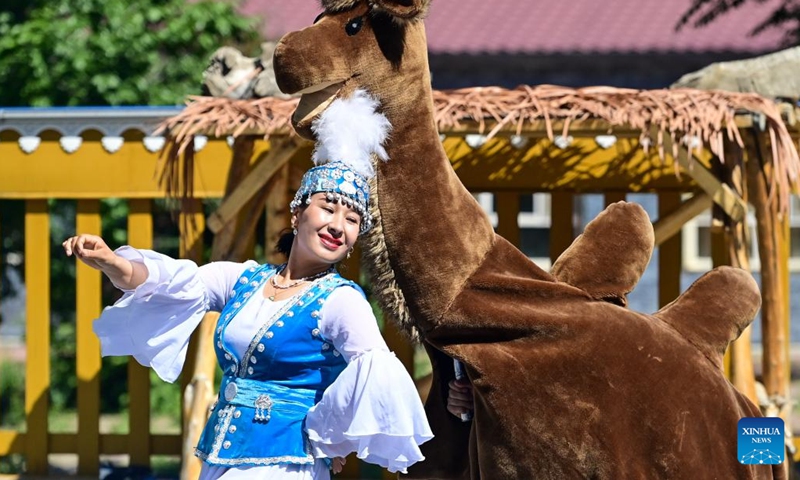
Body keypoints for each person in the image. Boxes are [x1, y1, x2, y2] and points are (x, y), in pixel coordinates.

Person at [63, 159, 433, 480]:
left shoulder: (341, 300)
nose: (338, 225)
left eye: (352, 219)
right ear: (297, 214)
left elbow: (375, 370)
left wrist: (328, 436)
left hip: (285, 463)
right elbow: (170, 284)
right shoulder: (244, 280)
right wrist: (113, 262)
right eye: (328, 208)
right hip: (221, 454)